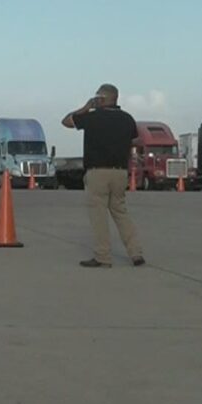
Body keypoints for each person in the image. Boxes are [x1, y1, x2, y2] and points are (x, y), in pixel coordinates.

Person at [62, 84, 145, 268]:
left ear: (101, 99)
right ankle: (135, 253)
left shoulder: (92, 117)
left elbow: (66, 121)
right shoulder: (127, 119)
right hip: (120, 172)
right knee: (120, 212)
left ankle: (103, 256)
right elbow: (134, 140)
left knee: (98, 214)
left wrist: (85, 108)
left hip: (97, 172)